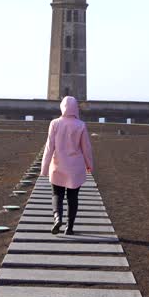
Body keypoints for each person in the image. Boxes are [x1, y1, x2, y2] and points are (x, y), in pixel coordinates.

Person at [40, 96, 94, 235]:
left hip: (58, 165)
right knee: (73, 197)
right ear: (75, 108)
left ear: (62, 107)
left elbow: (49, 147)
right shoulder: (81, 125)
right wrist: (89, 165)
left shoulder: (54, 123)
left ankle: (57, 217)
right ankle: (69, 227)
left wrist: (44, 168)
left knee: (57, 194)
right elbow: (86, 148)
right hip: (75, 167)